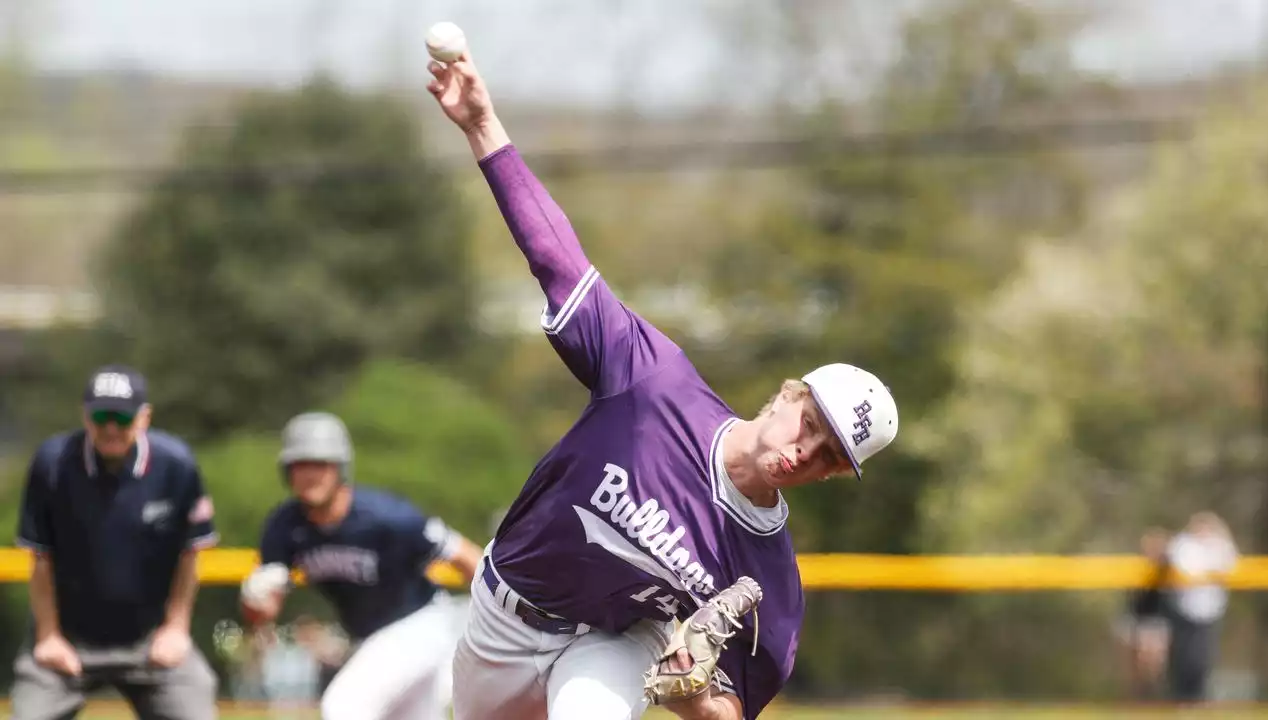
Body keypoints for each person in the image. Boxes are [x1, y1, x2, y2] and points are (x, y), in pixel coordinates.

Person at [424, 50, 900, 720]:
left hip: (615, 646)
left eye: (829, 456)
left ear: (829, 476)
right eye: (811, 423)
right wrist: (483, 126)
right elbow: (559, 263)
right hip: (503, 618)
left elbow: (729, 712)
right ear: (785, 396)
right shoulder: (654, 386)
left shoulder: (767, 581)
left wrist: (699, 698)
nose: (805, 451)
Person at [238, 411, 484, 720]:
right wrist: (253, 599)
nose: (310, 474)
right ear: (287, 472)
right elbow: (265, 613)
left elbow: (464, 555)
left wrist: (506, 614)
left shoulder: (387, 517)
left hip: (424, 624)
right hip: (370, 638)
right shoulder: (284, 527)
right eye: (300, 465)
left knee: (344, 706)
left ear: (340, 468)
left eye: (320, 464)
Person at [11, 365, 220, 720]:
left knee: (197, 708)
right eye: (101, 416)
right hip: (68, 639)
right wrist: (48, 637)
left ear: (144, 418)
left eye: (121, 417)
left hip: (149, 640)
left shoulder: (177, 465)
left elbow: (189, 554)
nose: (110, 427)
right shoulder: (52, 464)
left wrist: (176, 629)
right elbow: (41, 558)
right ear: (85, 416)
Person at [1165, 511, 1238, 704]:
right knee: (1184, 657)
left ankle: (1199, 698)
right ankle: (1181, 698)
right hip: (1185, 610)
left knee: (1204, 658)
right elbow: (1184, 570)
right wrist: (1210, 573)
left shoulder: (1221, 544)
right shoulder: (1183, 544)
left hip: (1211, 611)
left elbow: (1230, 567)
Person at [1114, 527, 1171, 700]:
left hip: (1154, 621)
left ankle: (1153, 698)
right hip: (1134, 619)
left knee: (1153, 665)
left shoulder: (1167, 568)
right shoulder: (1135, 567)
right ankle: (1134, 698)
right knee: (1132, 667)